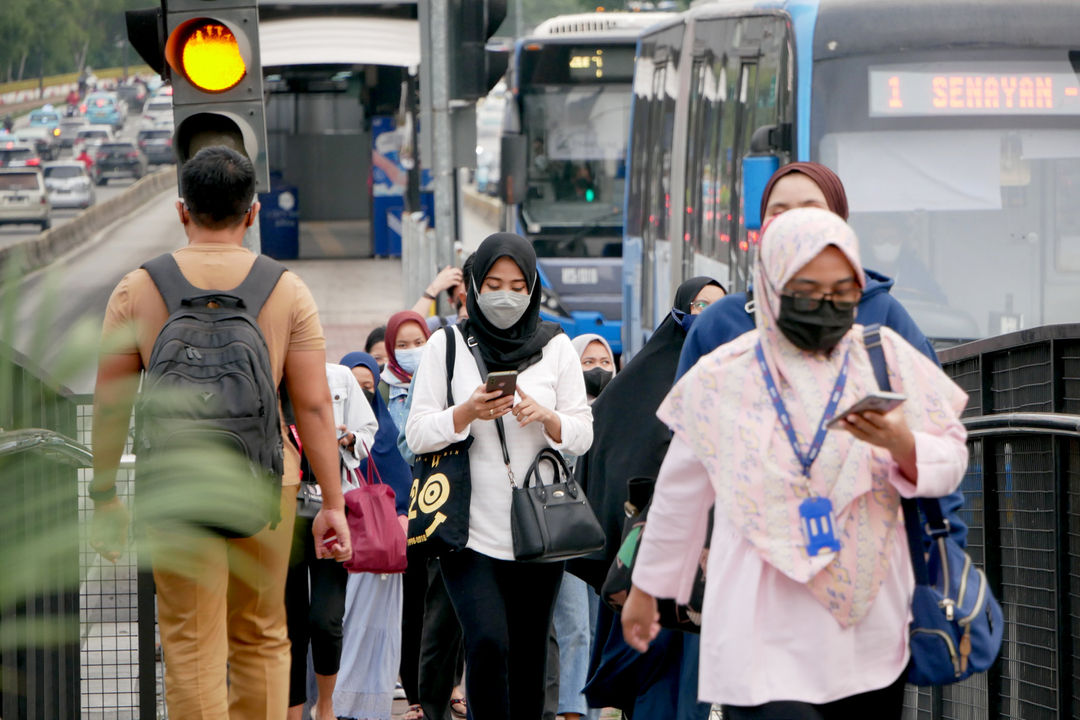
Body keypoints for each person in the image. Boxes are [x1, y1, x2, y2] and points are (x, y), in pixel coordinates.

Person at [623, 207, 969, 718]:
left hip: (866, 626)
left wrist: (904, 445)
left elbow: (952, 451)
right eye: (807, 290)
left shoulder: (886, 360)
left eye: (842, 292)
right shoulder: (723, 377)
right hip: (760, 621)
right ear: (771, 285)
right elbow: (681, 492)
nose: (825, 306)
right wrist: (647, 589)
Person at [88, 146, 351, 719]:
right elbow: (313, 405)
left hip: (175, 488)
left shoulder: (136, 289)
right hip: (265, 483)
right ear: (253, 213)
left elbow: (111, 406)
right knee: (260, 634)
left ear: (182, 211)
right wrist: (333, 503)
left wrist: (105, 495)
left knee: (190, 645)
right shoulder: (287, 290)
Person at [406, 232, 594, 720]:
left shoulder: (556, 347)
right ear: (471, 285)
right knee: (487, 642)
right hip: (467, 529)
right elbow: (418, 433)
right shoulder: (445, 346)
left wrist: (546, 417)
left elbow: (581, 434)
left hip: (538, 527)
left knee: (531, 652)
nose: (505, 295)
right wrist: (465, 412)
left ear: (532, 287)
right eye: (492, 283)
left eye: (516, 284)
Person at [569, 277, 724, 719]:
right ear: (680, 310)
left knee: (692, 683)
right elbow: (611, 461)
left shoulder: (729, 383)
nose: (708, 318)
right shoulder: (641, 382)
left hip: (710, 564)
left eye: (720, 307)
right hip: (649, 563)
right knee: (654, 679)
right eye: (700, 306)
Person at [285, 363, 378, 720]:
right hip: (282, 510)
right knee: (289, 620)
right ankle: (293, 710)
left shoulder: (338, 377)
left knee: (326, 618)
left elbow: (370, 428)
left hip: (332, 506)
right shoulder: (267, 375)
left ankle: (325, 706)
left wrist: (351, 439)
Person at [335, 352, 414, 720]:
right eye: (355, 388)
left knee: (375, 631)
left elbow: (402, 487)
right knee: (340, 624)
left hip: (378, 555)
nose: (364, 395)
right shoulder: (323, 432)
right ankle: (334, 702)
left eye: (370, 388)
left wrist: (399, 516)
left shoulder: (386, 435)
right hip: (340, 551)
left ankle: (368, 706)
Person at [546, 333, 618, 720]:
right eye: (587, 363)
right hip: (569, 534)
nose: (598, 370)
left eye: (605, 363)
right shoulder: (563, 412)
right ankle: (572, 712)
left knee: (595, 628)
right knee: (574, 625)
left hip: (604, 536)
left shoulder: (623, 409)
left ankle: (589, 709)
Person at [378, 311, 430, 425]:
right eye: (402, 345)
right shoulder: (382, 390)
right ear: (391, 347)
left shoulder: (441, 380)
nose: (412, 350)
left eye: (418, 343)